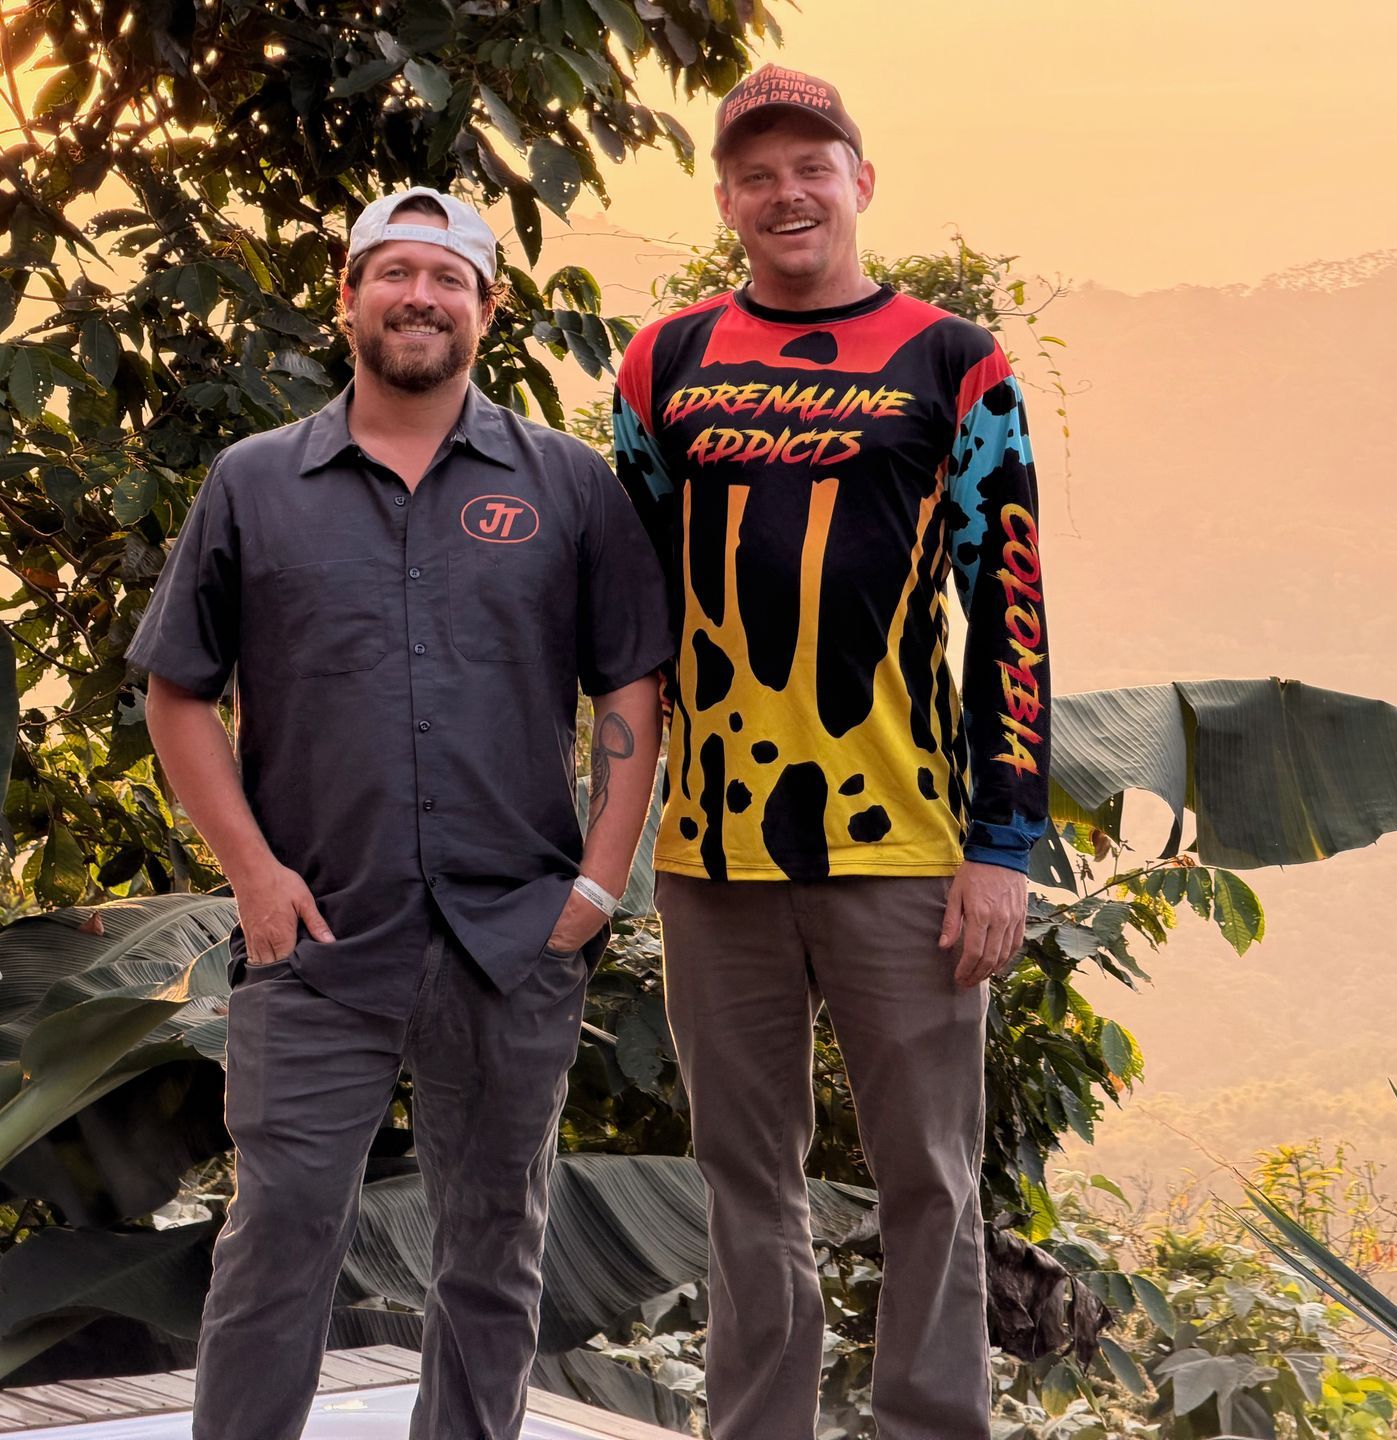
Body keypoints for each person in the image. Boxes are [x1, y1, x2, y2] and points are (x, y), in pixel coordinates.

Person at [129, 186, 671, 1440]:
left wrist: (595, 890)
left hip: (513, 940)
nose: (419, 295)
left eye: (447, 276)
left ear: (486, 307)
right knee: (279, 1247)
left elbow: (630, 688)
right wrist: (255, 880)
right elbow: (178, 695)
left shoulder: (567, 484)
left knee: (492, 1254)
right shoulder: (256, 483)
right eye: (394, 272)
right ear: (350, 296)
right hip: (316, 945)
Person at [611, 65, 1052, 1440]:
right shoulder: (663, 363)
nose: (786, 193)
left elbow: (1014, 610)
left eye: (813, 166)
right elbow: (626, 614)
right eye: (757, 173)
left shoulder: (952, 361)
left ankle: (932, 1426)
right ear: (728, 199)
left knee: (930, 1178)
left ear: (861, 180)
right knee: (748, 1185)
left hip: (906, 851)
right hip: (714, 854)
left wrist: (1001, 848)